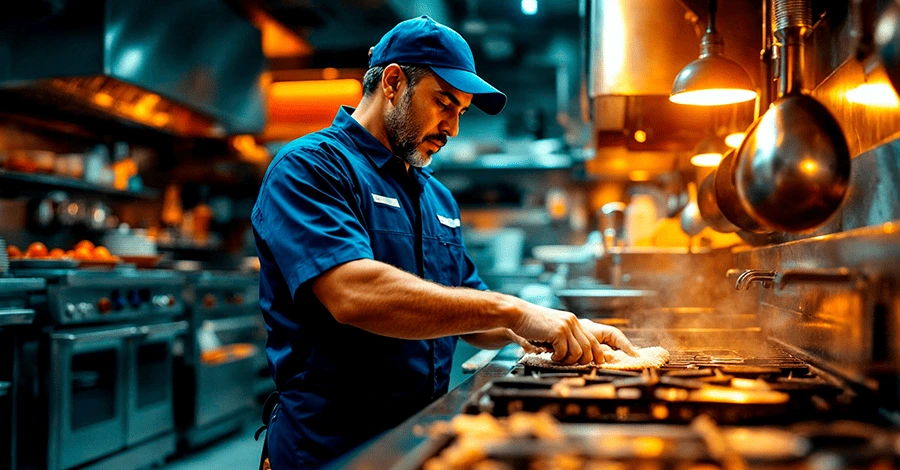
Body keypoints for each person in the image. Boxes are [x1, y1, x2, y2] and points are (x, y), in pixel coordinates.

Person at [251, 15, 637, 469]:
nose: (453, 128)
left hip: (417, 439)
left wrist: (558, 330)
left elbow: (466, 307)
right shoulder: (311, 168)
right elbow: (352, 293)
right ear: (393, 82)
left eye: (461, 112)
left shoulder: (435, 194)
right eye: (444, 103)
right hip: (327, 448)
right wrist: (515, 311)